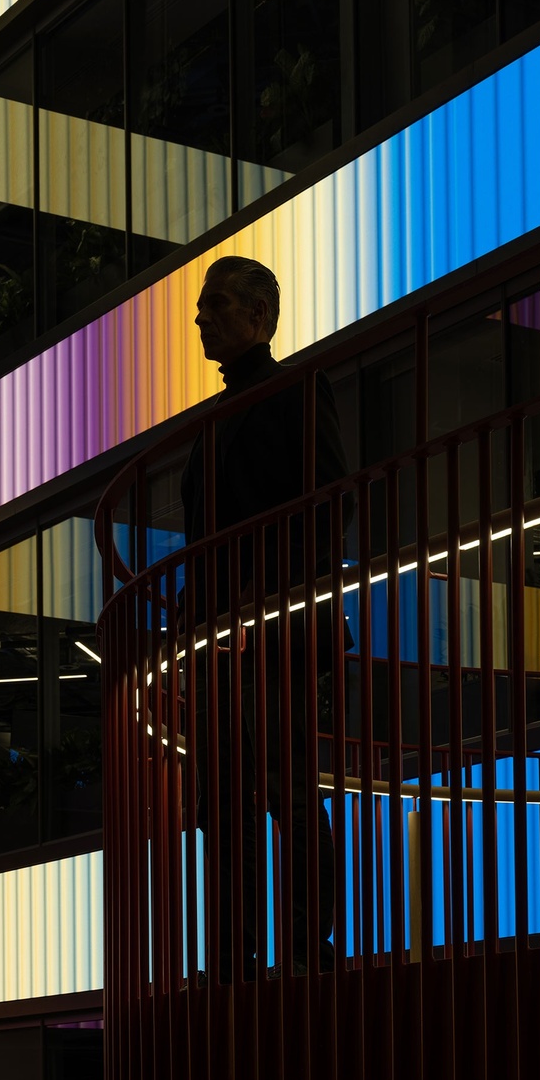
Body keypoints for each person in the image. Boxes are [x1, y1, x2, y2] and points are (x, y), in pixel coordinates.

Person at [179, 256, 349, 979]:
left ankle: (300, 946)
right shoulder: (230, 410)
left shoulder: (288, 391)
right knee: (232, 797)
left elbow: (327, 498)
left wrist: (266, 594)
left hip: (266, 625)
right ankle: (249, 951)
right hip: (231, 630)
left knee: (276, 785)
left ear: (259, 316)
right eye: (201, 305)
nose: (201, 317)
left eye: (215, 304)